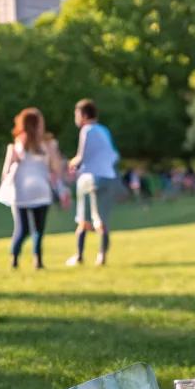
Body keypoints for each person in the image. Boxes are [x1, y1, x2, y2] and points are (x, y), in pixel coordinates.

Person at [0, 107, 61, 269]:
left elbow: (5, 172)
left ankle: (14, 259)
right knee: (38, 229)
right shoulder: (48, 144)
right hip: (41, 189)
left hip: (21, 191)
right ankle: (37, 261)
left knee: (21, 228)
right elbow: (55, 168)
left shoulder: (17, 146)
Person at [66, 98, 120, 267]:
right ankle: (102, 256)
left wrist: (71, 163)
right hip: (108, 177)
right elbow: (113, 155)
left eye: (76, 114)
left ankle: (79, 256)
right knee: (102, 220)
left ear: (83, 114)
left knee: (83, 219)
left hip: (90, 178)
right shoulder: (104, 130)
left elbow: (81, 156)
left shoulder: (86, 130)